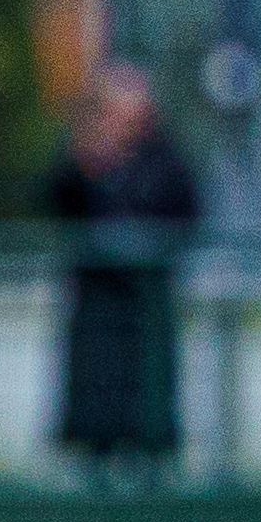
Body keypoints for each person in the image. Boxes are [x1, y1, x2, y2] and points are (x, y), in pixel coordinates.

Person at [42, 62, 198, 482]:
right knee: (96, 392)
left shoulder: (165, 156)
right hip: (97, 300)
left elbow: (183, 209)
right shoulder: (85, 154)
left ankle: (149, 465)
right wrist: (87, 163)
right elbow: (57, 202)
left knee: (147, 394)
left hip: (145, 300)